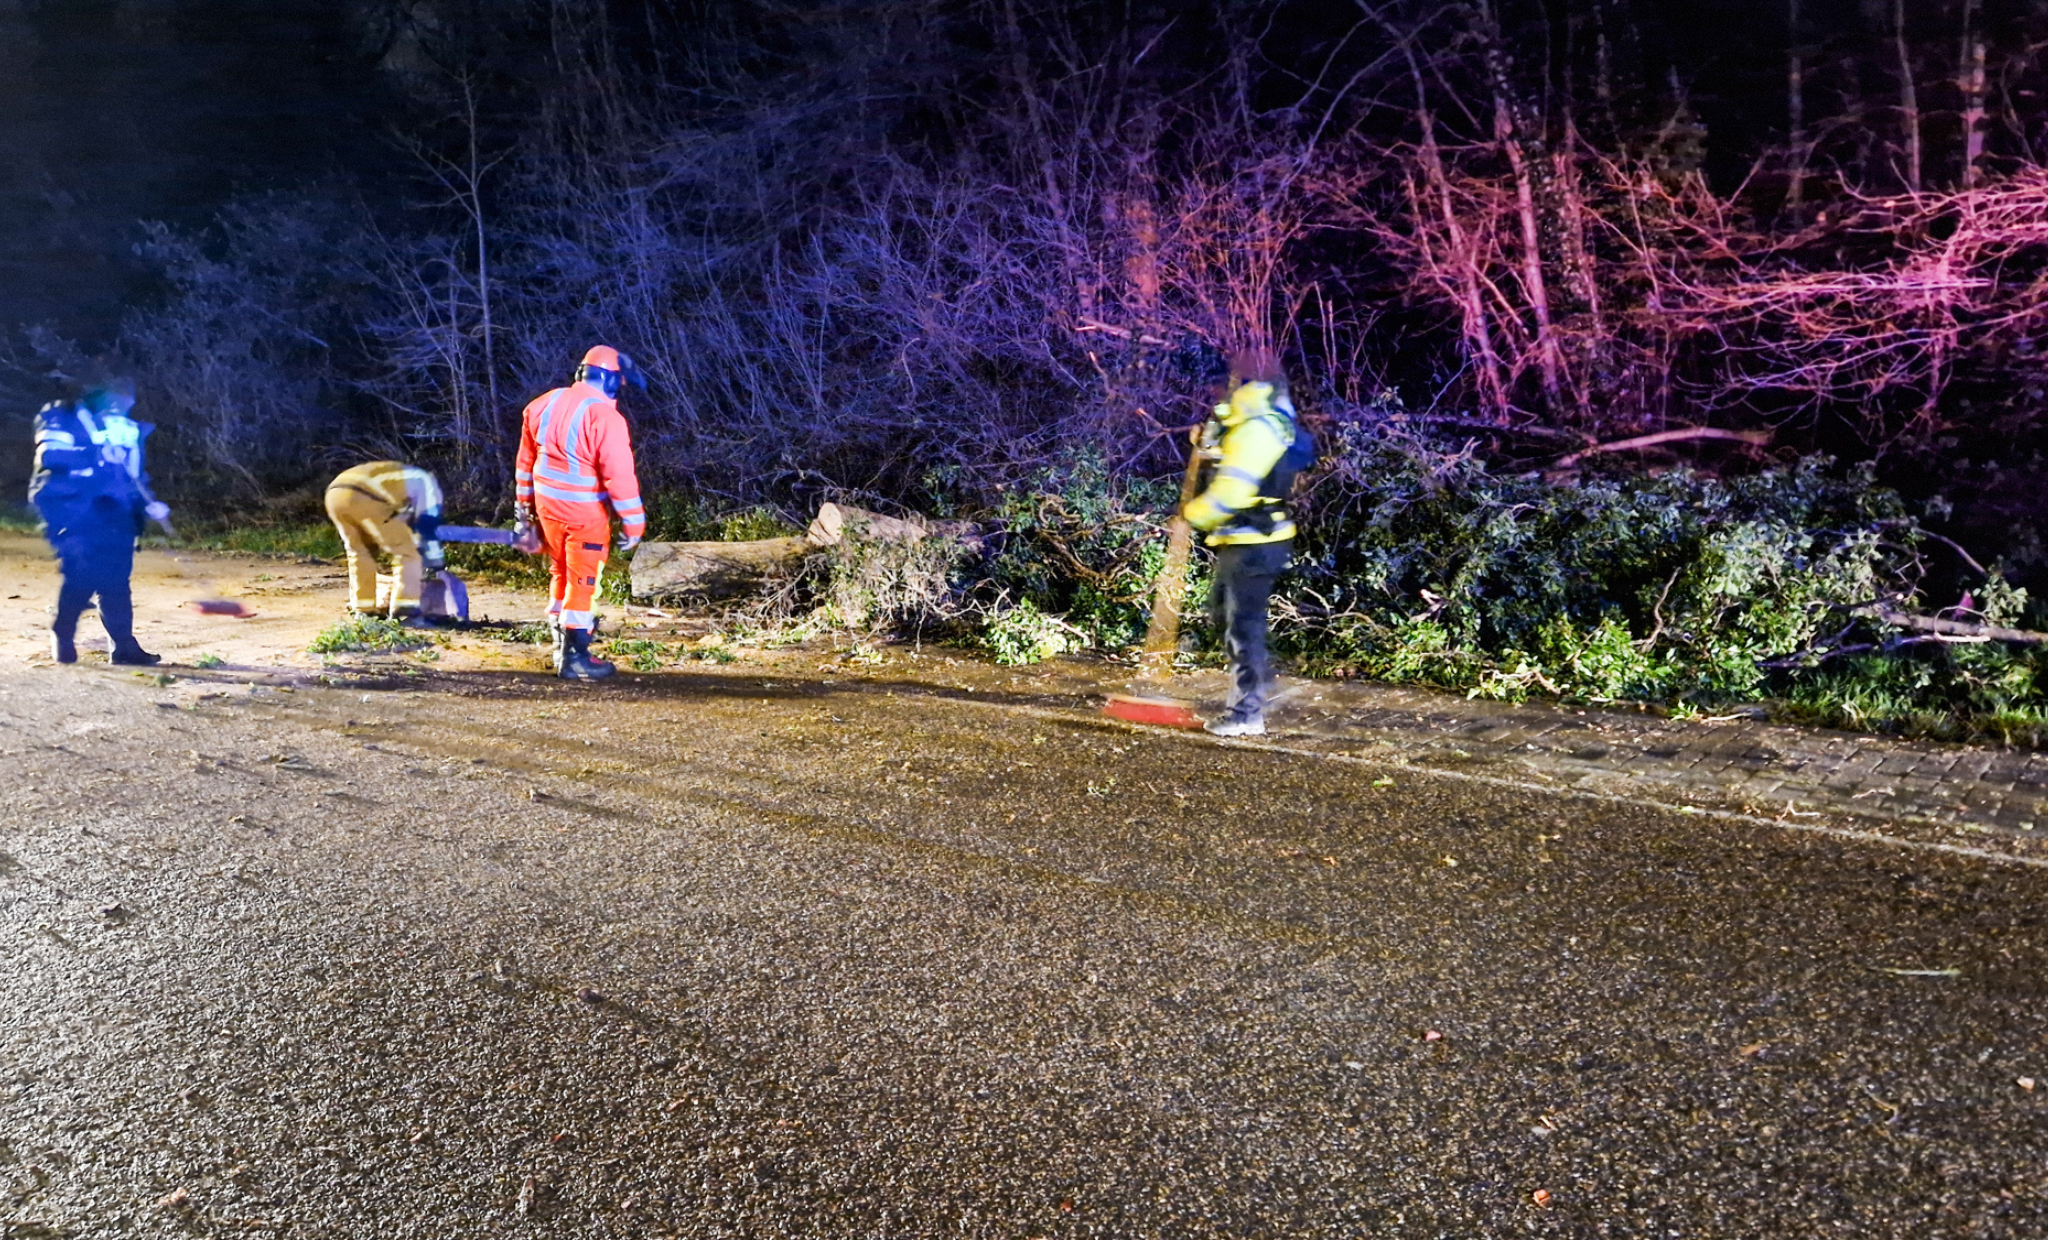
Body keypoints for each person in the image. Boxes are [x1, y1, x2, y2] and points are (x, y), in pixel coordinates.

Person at [1182, 352, 1306, 737]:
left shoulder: (1258, 429)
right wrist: (1208, 441)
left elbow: (1233, 491)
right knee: (1221, 613)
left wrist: (1191, 515)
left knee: (1242, 628)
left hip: (1255, 542)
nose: (1215, 394)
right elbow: (1227, 452)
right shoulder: (1247, 420)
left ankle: (1246, 713)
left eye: (1222, 386)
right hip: (1244, 539)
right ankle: (1260, 687)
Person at [514, 345, 647, 681]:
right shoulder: (605, 418)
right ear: (610, 380)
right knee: (584, 583)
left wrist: (524, 512)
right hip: (584, 512)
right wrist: (633, 522)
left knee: (560, 572)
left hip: (547, 508)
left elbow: (525, 465)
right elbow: (619, 476)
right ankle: (576, 658)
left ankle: (561, 648)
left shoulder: (542, 404)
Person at [29, 378, 170, 665]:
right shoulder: (63, 417)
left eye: (126, 402)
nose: (121, 406)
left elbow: (133, 477)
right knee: (83, 576)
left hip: (115, 515)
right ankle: (63, 632)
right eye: (116, 399)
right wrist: (96, 454)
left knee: (116, 581)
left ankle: (123, 647)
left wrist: (148, 502)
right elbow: (53, 461)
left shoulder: (125, 429)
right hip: (75, 511)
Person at [322, 461, 447, 625]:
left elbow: (397, 515)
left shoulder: (397, 478)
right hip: (365, 494)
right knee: (409, 552)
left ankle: (364, 610)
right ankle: (405, 613)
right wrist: (435, 558)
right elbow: (426, 522)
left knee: (360, 551)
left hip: (335, 493)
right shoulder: (425, 482)